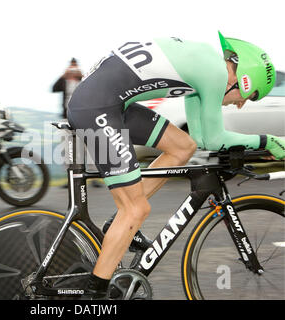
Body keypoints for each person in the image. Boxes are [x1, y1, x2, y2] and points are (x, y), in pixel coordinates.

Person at [67, 32, 285, 298]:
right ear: (245, 79)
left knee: (183, 147)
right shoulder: (215, 73)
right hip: (97, 107)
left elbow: (202, 140)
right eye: (248, 97)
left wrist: (250, 146)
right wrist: (267, 140)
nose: (240, 105)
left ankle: (117, 223)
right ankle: (95, 296)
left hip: (112, 104)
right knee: (135, 209)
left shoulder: (205, 66)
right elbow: (216, 139)